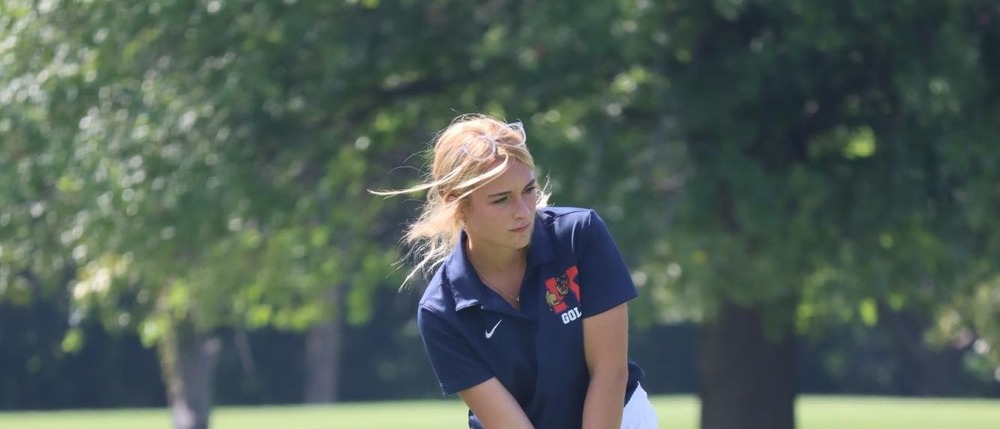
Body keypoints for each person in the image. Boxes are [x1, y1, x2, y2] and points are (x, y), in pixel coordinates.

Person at [374, 114, 657, 428]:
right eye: (501, 200)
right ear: (456, 202)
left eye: (528, 190)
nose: (523, 212)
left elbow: (609, 372)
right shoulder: (441, 312)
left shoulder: (581, 235)